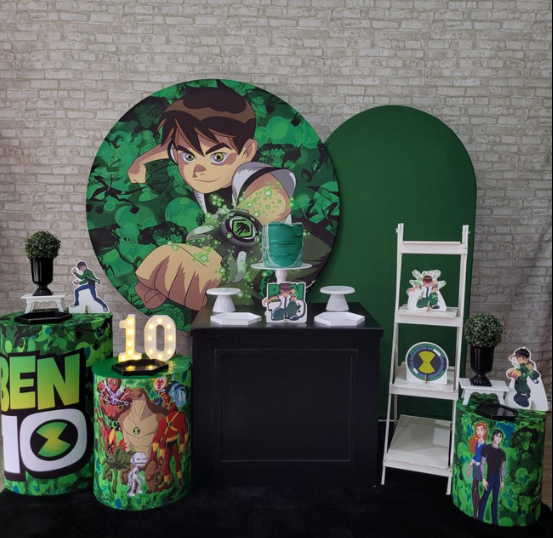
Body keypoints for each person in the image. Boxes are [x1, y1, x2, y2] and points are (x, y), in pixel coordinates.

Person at [127, 81, 297, 311]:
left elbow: (273, 199)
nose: (198, 169)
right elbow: (171, 147)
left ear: (247, 151)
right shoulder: (187, 154)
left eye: (217, 157)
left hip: (282, 268)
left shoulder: (250, 174)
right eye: (188, 157)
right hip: (241, 271)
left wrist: (213, 251)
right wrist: (140, 161)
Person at [478, 429, 507, 526]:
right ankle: (480, 519)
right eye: (497, 435)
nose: (499, 438)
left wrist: (502, 481)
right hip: (489, 477)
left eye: (501, 436)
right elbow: (482, 464)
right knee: (485, 497)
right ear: (493, 436)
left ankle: (495, 522)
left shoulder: (502, 453)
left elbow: (503, 468)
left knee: (495, 500)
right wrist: (483, 478)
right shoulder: (486, 449)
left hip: (497, 479)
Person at [466, 422, 488, 519]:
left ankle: (476, 513)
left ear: (485, 431)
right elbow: (475, 456)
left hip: (479, 468)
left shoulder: (484, 446)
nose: (479, 432)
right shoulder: (477, 442)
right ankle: (476, 512)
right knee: (474, 489)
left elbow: (483, 459)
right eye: (477, 429)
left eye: (481, 429)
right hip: (475, 466)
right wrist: (469, 467)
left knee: (474, 488)